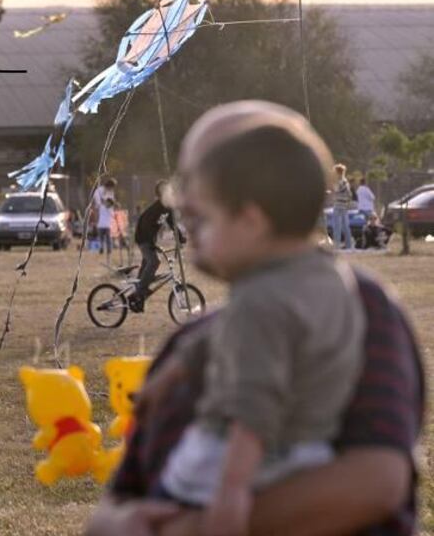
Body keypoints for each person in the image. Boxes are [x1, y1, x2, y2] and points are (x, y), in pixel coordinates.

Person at [85, 101, 422, 536]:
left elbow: (376, 481)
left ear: (251, 215)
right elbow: (118, 503)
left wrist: (201, 522)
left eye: (197, 182)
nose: (183, 201)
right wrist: (118, 524)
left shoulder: (363, 308)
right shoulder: (197, 335)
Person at [137, 111, 366, 534]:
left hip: (248, 462)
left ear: (250, 221)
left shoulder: (261, 301)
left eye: (205, 221)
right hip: (317, 452)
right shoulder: (329, 277)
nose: (196, 234)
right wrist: (173, 371)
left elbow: (253, 406)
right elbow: (221, 337)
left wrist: (232, 491)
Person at [130, 181, 178, 312]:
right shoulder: (156, 208)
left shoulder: (167, 208)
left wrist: (180, 236)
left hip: (150, 239)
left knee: (147, 265)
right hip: (142, 237)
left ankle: (137, 297)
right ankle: (140, 290)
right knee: (154, 261)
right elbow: (145, 225)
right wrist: (151, 244)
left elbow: (172, 223)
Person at [94, 177, 118, 264]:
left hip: (104, 225)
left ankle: (106, 251)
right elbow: (98, 200)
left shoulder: (106, 205)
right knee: (105, 239)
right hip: (105, 225)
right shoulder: (100, 191)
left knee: (105, 239)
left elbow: (110, 202)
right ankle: (104, 249)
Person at [331, 164, 355, 250]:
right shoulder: (346, 182)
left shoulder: (340, 182)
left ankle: (336, 246)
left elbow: (336, 189)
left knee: (337, 227)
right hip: (344, 206)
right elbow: (350, 195)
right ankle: (349, 245)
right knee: (346, 227)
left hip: (338, 206)